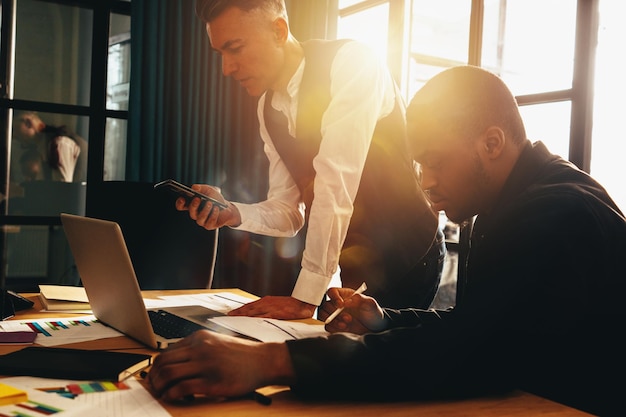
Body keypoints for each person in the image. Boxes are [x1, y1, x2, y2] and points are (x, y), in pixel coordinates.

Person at [147, 66, 626, 416]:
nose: (426, 181)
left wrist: (270, 360)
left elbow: (468, 354)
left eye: (435, 161)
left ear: (492, 143)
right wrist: (386, 319)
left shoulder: (552, 214)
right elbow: (485, 327)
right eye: (420, 165)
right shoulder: (521, 199)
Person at [181, 0, 444, 319]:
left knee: (384, 366)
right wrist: (233, 212)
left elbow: (335, 185)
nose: (227, 68)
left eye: (235, 48)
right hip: (355, 273)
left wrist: (305, 298)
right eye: (220, 53)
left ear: (279, 30)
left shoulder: (353, 62)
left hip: (410, 254)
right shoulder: (267, 108)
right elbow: (288, 211)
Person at [15, 112, 87, 183]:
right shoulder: (44, 149)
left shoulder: (60, 144)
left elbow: (62, 187)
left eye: (13, 128)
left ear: (28, 123)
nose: (14, 136)